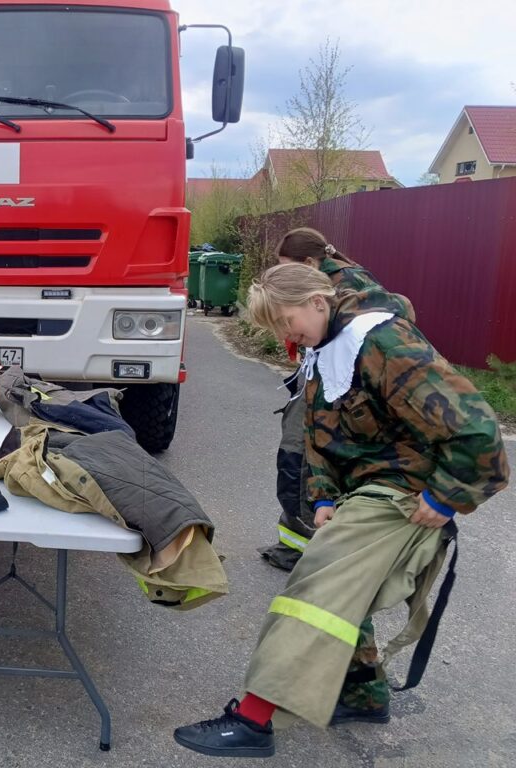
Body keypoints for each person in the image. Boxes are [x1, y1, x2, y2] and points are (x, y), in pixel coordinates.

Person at [173, 263, 508, 758]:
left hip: (401, 492)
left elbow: (477, 431)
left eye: (287, 322)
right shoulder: (325, 345)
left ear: (317, 302)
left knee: (315, 591)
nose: (286, 336)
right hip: (362, 491)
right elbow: (321, 433)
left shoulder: (383, 343)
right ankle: (361, 695)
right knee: (347, 591)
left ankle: (253, 720)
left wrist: (445, 495)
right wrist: (324, 496)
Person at [262, 227, 417, 572]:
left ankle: (308, 546)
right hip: (330, 381)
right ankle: (308, 540)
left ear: (309, 264)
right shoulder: (344, 280)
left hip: (338, 388)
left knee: (299, 454)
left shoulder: (339, 290)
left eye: (288, 268)